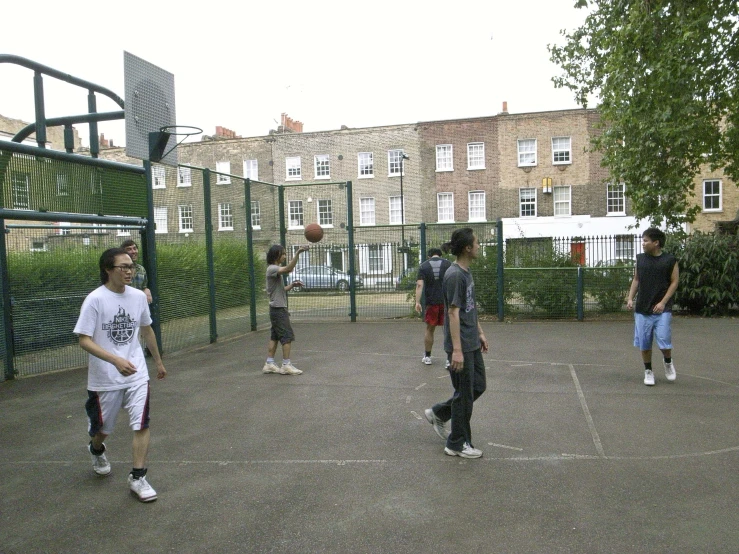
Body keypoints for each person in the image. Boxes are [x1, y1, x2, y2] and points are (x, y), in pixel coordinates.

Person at [74, 248, 167, 502]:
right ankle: (96, 448)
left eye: (131, 267)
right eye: (123, 267)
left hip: (137, 373)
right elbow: (84, 340)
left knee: (141, 423)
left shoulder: (137, 297)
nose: (129, 271)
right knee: (103, 428)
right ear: (108, 269)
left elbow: (146, 330)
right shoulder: (95, 300)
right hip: (105, 378)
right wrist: (114, 359)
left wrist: (158, 362)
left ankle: (138, 477)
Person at [424, 228, 489, 459]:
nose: (479, 246)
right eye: (477, 243)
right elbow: (453, 314)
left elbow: (470, 307)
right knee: (464, 395)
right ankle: (457, 444)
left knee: (477, 387)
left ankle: (440, 413)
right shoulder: (454, 276)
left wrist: (479, 332)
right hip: (460, 347)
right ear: (467, 248)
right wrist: (457, 352)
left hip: (471, 341)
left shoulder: (466, 272)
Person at [626, 227, 679, 386]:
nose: (643, 243)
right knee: (645, 342)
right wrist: (630, 298)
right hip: (643, 308)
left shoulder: (669, 260)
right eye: (642, 240)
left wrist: (663, 302)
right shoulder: (641, 259)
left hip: (662, 309)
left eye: (645, 241)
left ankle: (668, 362)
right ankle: (648, 371)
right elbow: (636, 280)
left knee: (664, 339)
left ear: (656, 243)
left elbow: (675, 281)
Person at [263, 244, 310, 375]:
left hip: (275, 309)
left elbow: (281, 290)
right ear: (276, 255)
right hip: (278, 310)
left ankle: (269, 363)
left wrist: (292, 285)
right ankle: (286, 365)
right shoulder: (272, 268)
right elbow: (289, 269)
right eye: (283, 254)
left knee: (275, 336)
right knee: (287, 337)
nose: (284, 256)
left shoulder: (273, 270)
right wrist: (298, 253)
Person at [415, 248, 452, 366]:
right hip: (446, 302)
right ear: (440, 255)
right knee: (448, 330)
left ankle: (427, 356)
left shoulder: (423, 266)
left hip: (431, 302)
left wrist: (417, 302)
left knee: (430, 329)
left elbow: (420, 285)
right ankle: (449, 359)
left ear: (429, 256)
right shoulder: (448, 264)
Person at [121, 239, 152, 304]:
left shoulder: (141, 269)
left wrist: (146, 290)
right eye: (129, 249)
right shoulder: (119, 270)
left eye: (135, 248)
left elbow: (143, 287)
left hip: (138, 307)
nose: (133, 251)